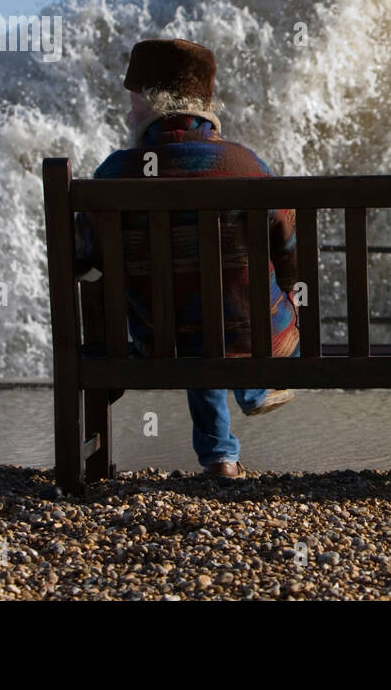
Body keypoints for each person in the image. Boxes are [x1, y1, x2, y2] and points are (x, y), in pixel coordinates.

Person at [73, 38, 299, 479]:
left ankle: (220, 456)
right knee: (228, 302)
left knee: (190, 312)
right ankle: (254, 384)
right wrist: (288, 284)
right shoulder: (245, 165)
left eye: (134, 100)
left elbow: (82, 259)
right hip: (252, 338)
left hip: (163, 340)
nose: (129, 112)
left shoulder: (115, 173)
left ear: (154, 102)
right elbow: (286, 245)